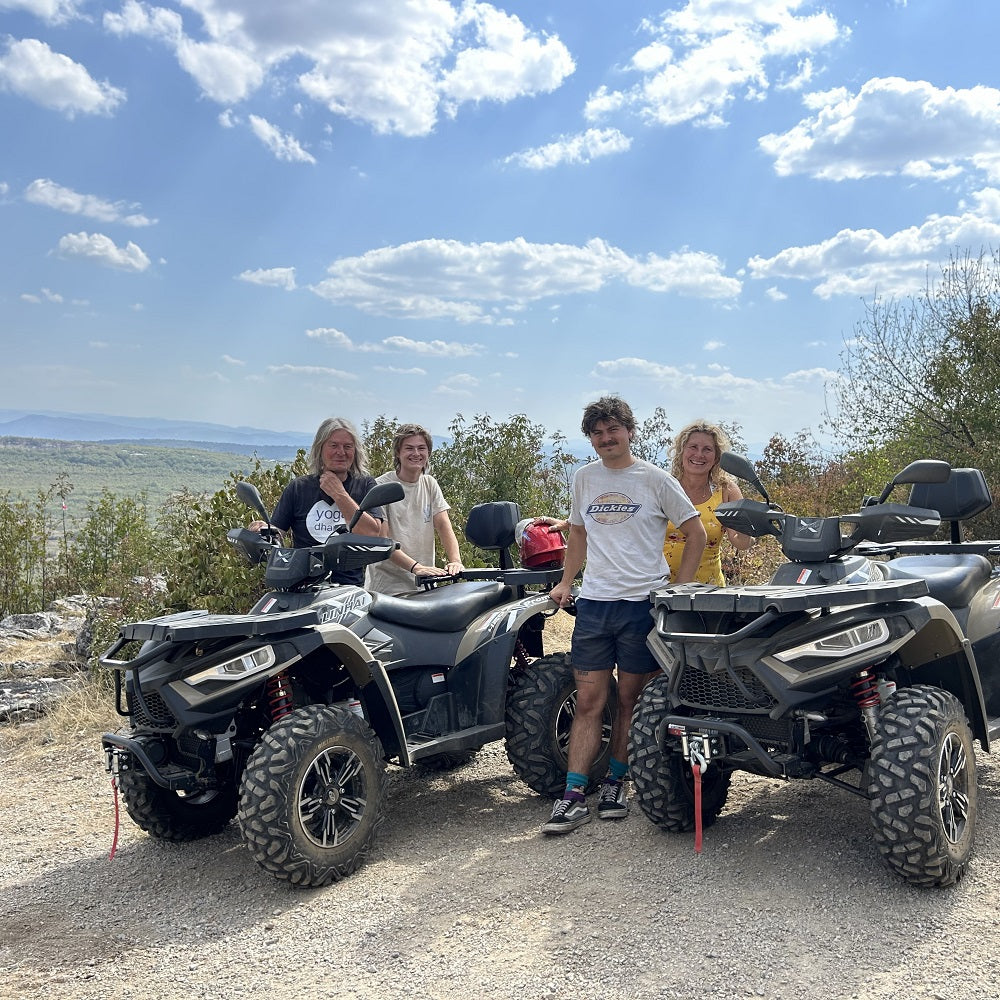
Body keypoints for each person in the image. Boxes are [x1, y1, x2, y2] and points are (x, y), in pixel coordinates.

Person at [543, 395, 707, 834]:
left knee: (632, 700)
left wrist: (679, 588)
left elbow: (696, 532)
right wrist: (565, 580)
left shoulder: (654, 480)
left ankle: (617, 781)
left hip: (641, 606)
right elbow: (577, 533)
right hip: (595, 605)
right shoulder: (584, 479)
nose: (605, 438)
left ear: (629, 432)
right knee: (591, 701)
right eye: (597, 432)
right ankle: (573, 794)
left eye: (612, 429)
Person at [249, 416, 384, 586]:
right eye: (333, 445)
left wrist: (339, 494)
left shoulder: (365, 485)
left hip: (349, 589)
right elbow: (278, 533)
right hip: (302, 586)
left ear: (355, 451)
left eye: (348, 447)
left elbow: (372, 533)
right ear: (320, 449)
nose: (341, 452)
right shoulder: (298, 487)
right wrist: (263, 529)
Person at [366, 423, 464, 595]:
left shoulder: (429, 484)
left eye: (421, 448)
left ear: (428, 452)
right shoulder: (381, 486)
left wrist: (455, 561)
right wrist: (415, 567)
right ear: (398, 452)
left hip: (424, 583)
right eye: (409, 448)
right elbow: (383, 540)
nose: (416, 453)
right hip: (388, 589)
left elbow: (443, 525)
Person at [663, 419, 753, 585]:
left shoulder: (726, 491)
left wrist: (750, 524)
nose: (699, 455)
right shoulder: (664, 486)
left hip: (708, 594)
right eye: (693, 447)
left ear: (717, 456)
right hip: (659, 588)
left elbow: (740, 542)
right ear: (681, 451)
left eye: (707, 449)